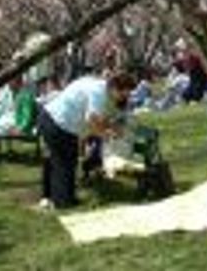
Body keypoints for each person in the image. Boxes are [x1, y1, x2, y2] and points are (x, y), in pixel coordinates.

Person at [36, 71, 136, 209]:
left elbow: (100, 119)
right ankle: (63, 202)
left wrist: (109, 127)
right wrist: (106, 134)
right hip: (57, 122)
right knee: (64, 163)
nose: (124, 97)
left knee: (58, 160)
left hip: (56, 120)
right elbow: (92, 121)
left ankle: (50, 196)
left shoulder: (101, 89)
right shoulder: (98, 92)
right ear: (114, 87)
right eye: (123, 93)